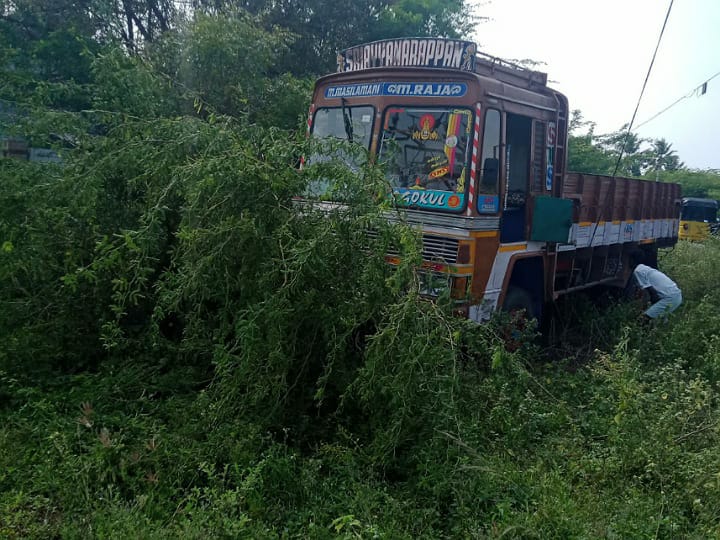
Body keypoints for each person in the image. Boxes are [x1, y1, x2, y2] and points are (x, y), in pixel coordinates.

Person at [629, 250, 682, 320]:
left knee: (644, 319)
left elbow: (651, 293)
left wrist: (643, 311)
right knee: (658, 319)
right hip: (675, 295)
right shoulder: (643, 268)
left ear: (631, 260)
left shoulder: (637, 271)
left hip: (669, 298)